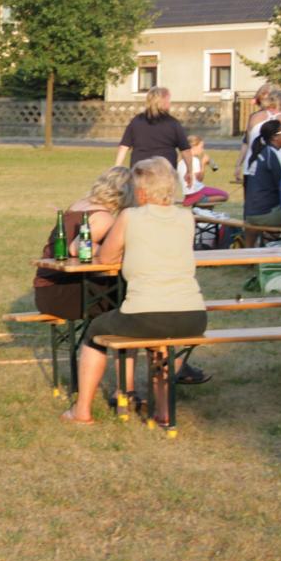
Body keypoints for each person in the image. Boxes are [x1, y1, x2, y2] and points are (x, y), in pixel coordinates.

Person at [61, 156, 207, 425]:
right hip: (193, 315)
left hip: (146, 313)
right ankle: (163, 412)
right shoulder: (187, 217)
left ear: (140, 192)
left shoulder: (130, 216)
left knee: (94, 332)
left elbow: (107, 257)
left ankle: (81, 411)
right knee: (162, 343)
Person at [33, 167, 134, 321]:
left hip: (45, 293)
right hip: (63, 295)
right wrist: (109, 251)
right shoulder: (103, 217)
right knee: (126, 294)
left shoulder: (80, 204)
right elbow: (76, 248)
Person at [114, 87, 193, 188]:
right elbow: (185, 150)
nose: (169, 104)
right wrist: (189, 171)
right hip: (165, 171)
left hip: (140, 171)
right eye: (168, 100)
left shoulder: (136, 121)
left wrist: (117, 168)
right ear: (163, 102)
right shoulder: (172, 123)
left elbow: (123, 147)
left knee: (140, 195)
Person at [234, 87, 281, 181]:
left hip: (252, 169)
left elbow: (248, 143)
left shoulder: (254, 118)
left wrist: (238, 164)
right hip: (279, 170)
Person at [242, 119, 281, 246]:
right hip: (265, 214)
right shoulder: (273, 154)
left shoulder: (260, 153)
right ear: (274, 137)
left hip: (250, 213)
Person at [177, 134, 228, 207]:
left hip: (188, 193)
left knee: (215, 193)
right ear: (194, 147)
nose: (202, 150)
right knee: (225, 195)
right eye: (201, 147)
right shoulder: (195, 160)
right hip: (197, 191)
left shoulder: (181, 161)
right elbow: (200, 179)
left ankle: (196, 199)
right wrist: (203, 164)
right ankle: (201, 199)